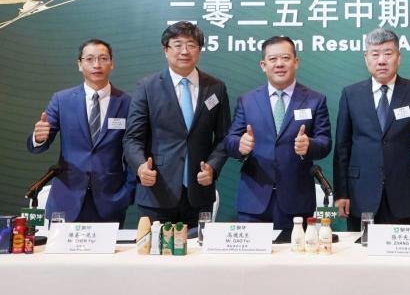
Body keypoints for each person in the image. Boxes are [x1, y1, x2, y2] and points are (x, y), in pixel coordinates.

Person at [124, 21, 230, 228]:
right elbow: (132, 138)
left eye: (191, 45)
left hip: (200, 190)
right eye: (178, 45)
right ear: (166, 50)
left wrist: (213, 167)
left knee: (198, 247)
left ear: (199, 50)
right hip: (157, 188)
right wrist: (140, 167)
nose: (184, 51)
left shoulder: (215, 87)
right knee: (155, 248)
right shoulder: (147, 87)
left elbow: (223, 137)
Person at [333, 27, 410, 229]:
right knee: (360, 248)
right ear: (366, 58)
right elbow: (342, 147)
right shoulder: (351, 94)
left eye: (388, 54)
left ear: (398, 57)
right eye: (375, 54)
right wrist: (341, 193)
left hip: (403, 194)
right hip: (360, 194)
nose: (381, 60)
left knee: (402, 248)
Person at [224, 36, 331, 230]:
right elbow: (230, 140)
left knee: (296, 249)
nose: (279, 64)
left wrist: (309, 146)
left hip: (296, 201)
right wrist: (240, 145)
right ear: (263, 65)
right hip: (254, 202)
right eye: (273, 59)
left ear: (296, 62)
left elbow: (325, 142)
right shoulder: (247, 101)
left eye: (285, 58)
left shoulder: (315, 100)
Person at [27, 39, 134, 223]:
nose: (96, 65)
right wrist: (38, 137)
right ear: (79, 64)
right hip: (66, 198)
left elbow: (134, 149)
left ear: (112, 63)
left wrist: (127, 192)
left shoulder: (128, 102)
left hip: (111, 200)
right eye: (89, 59)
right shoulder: (62, 100)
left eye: (103, 58)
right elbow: (38, 146)